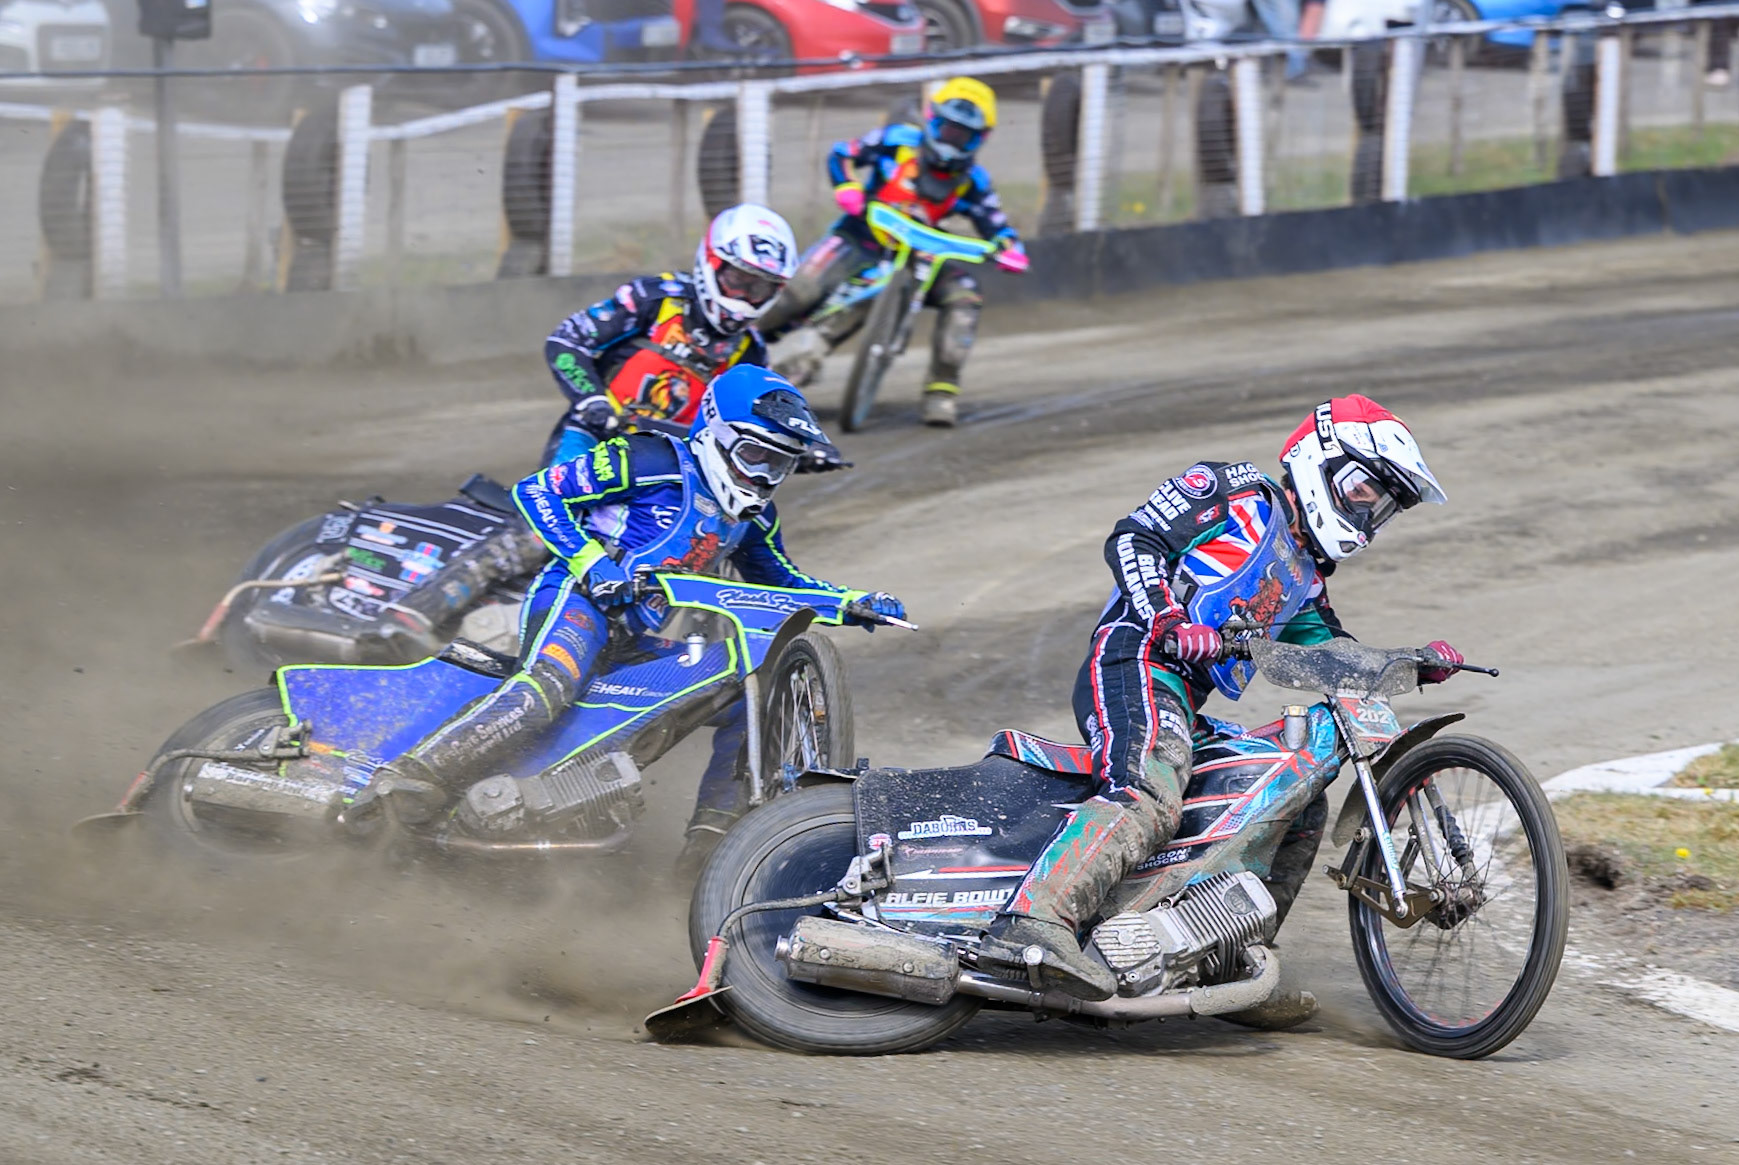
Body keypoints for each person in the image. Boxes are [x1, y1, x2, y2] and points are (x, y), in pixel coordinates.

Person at [978, 395, 1466, 1002]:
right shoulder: (1231, 493)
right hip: (1136, 660)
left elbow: (1330, 656)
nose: (1372, 515)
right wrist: (1167, 617)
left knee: (1300, 795)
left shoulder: (1306, 576)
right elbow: (1134, 538)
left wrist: (1409, 665)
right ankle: (1031, 924)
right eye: (1367, 492)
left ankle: (1230, 961)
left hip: (1184, 697)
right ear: (1323, 463)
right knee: (1150, 793)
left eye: (1385, 507)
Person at [353, 366, 904, 869]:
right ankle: (408, 778)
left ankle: (711, 847)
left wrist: (849, 603)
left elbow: (783, 581)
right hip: (577, 600)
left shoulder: (754, 517)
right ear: (719, 435)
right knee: (548, 687)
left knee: (746, 689)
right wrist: (594, 565)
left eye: (780, 464)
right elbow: (539, 492)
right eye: (757, 455)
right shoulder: (649, 459)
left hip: (635, 635)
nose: (764, 475)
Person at [758, 76, 1029, 429]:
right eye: (947, 128)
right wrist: (847, 187)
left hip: (921, 256)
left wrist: (1011, 250)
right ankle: (729, 342)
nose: (951, 139)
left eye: (962, 134)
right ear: (932, 120)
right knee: (796, 294)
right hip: (860, 235)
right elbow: (843, 153)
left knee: (965, 297)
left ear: (979, 138)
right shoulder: (897, 140)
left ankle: (941, 393)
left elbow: (997, 225)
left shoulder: (973, 182)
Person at [542, 204, 799, 466]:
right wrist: (592, 401)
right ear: (712, 262)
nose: (744, 296)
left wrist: (800, 448)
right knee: (555, 498)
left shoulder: (751, 350)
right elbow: (566, 342)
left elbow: (758, 418)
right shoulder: (655, 299)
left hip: (671, 464)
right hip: (594, 438)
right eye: (737, 280)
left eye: (759, 288)